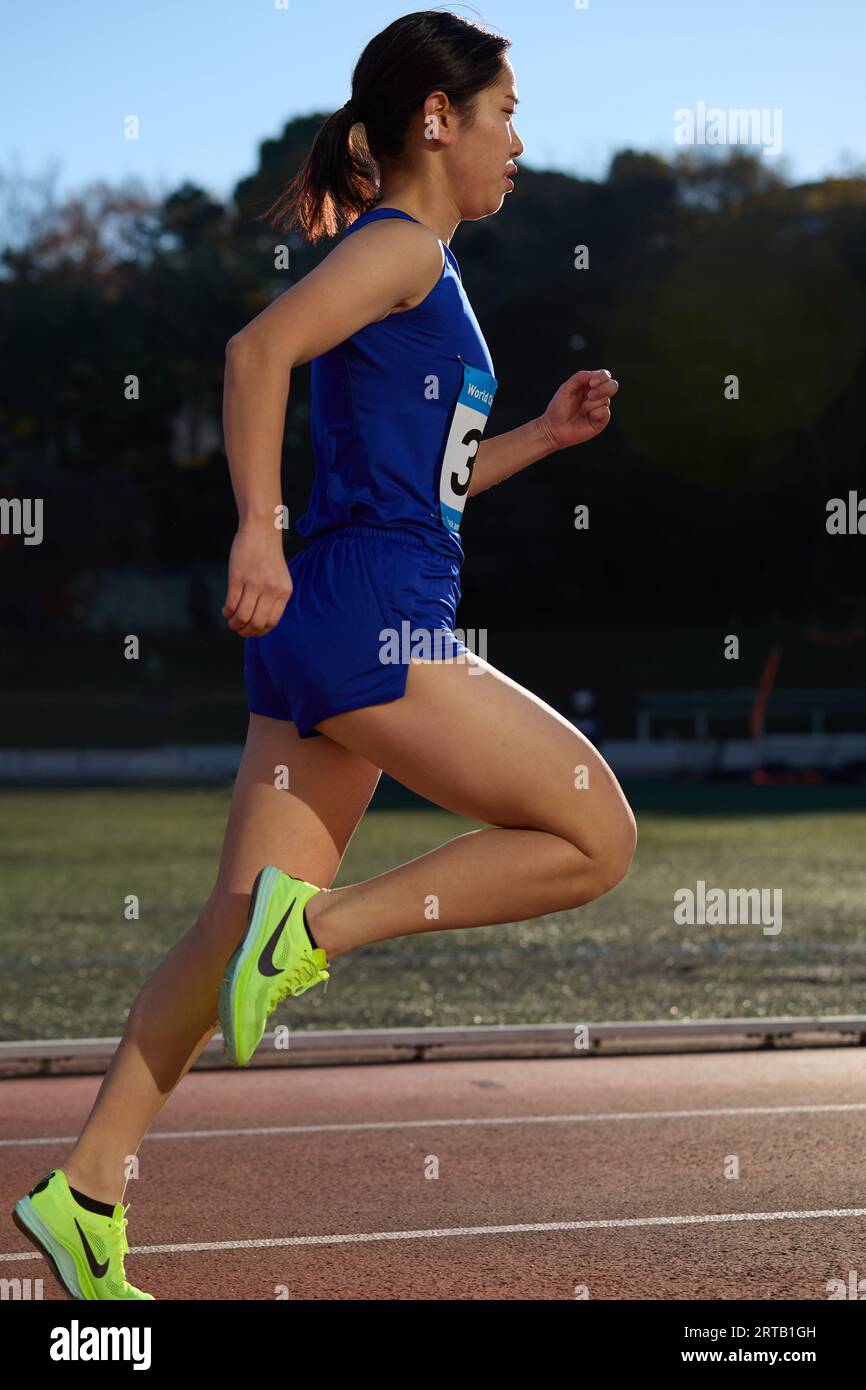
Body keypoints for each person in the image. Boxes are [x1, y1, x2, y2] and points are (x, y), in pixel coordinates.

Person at [11, 9, 635, 1300]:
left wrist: (535, 441)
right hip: (366, 614)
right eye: (504, 110)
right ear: (435, 119)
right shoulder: (403, 247)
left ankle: (84, 1189)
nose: (518, 139)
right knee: (596, 834)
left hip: (332, 626)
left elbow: (426, 484)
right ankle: (326, 931)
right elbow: (255, 354)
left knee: (225, 928)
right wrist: (257, 529)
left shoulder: (420, 269)